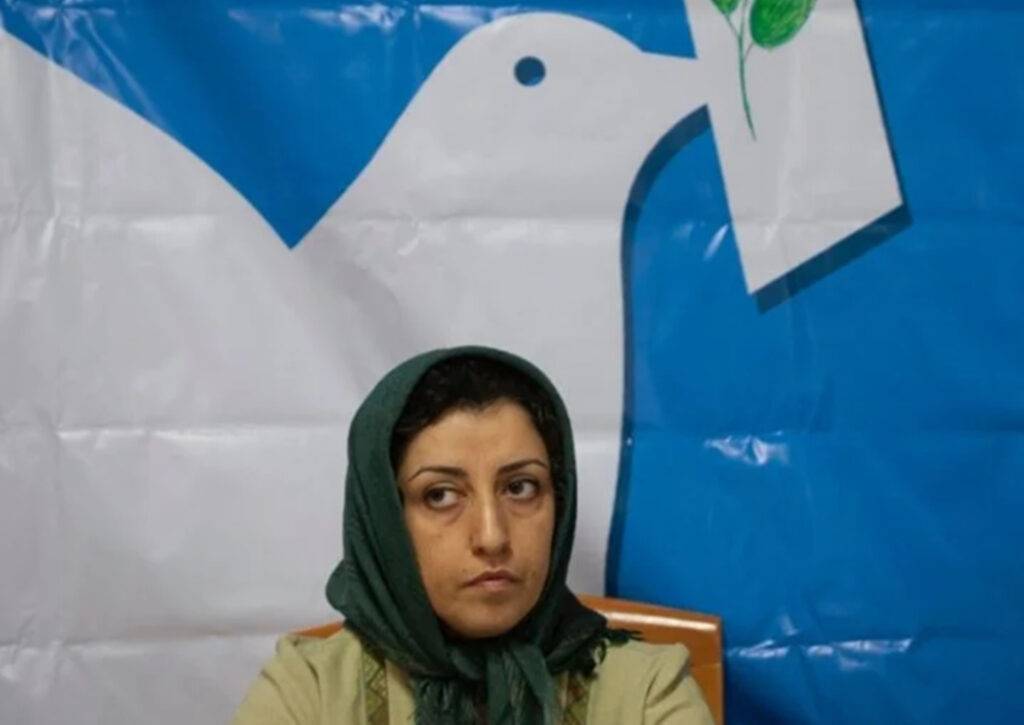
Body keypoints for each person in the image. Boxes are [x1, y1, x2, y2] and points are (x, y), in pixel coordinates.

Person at [232, 346, 714, 724]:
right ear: (385, 519)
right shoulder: (312, 690)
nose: (492, 536)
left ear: (560, 501)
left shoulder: (645, 690)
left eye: (521, 487)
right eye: (441, 495)